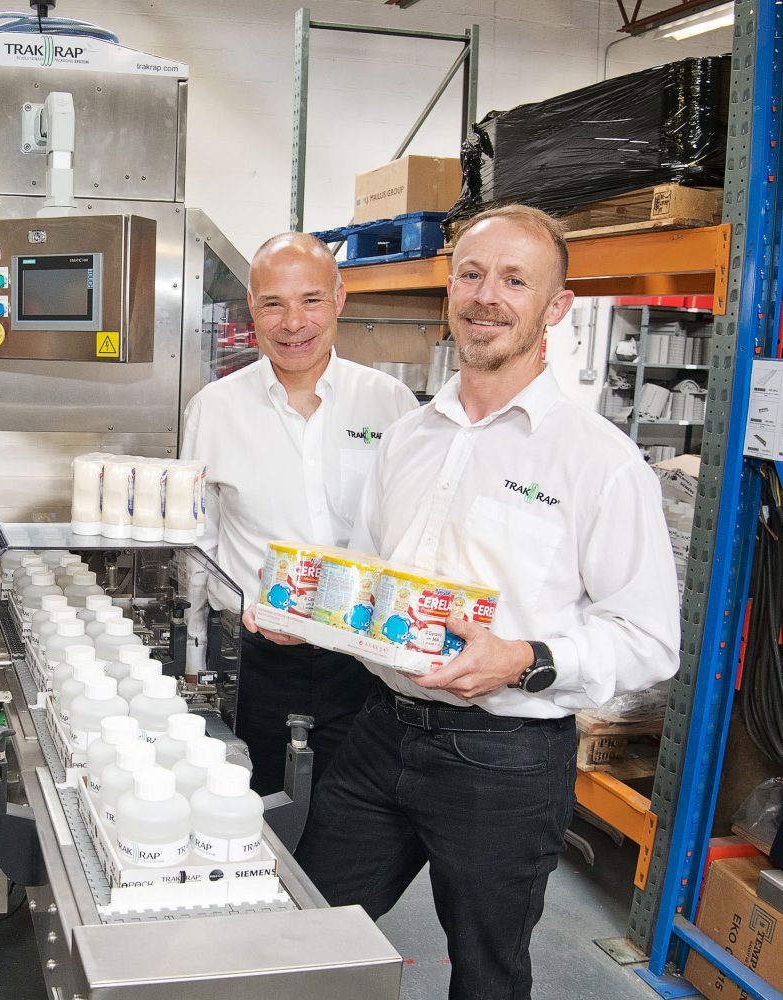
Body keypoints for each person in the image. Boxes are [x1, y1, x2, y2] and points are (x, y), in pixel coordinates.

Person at [294, 205, 681, 1000]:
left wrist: (529, 659)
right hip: (383, 732)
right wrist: (318, 614)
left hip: (503, 761)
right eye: (470, 274)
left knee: (487, 977)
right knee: (309, 944)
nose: (486, 296)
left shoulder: (597, 461)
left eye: (514, 279)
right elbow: (374, 570)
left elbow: (648, 639)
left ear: (556, 307)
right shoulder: (410, 437)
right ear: (449, 289)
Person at [181, 233, 419, 793]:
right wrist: (195, 654)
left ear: (340, 298)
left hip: (363, 661)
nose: (293, 323)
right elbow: (197, 543)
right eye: (273, 304)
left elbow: (408, 537)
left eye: (311, 300)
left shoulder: (390, 405)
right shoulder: (214, 409)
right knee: (251, 809)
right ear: (252, 310)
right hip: (253, 657)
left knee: (346, 822)